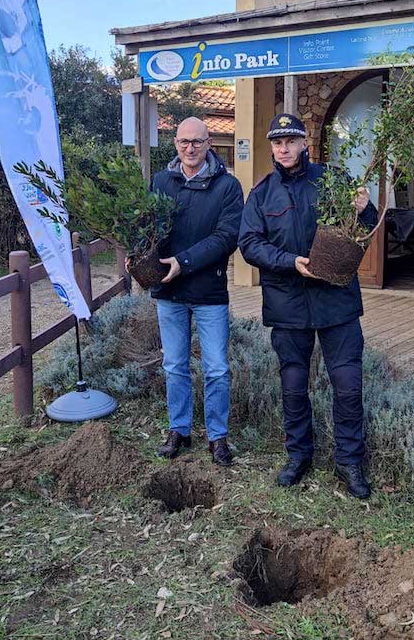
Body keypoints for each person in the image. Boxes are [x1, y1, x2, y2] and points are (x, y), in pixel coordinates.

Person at [238, 112, 378, 499]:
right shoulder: (262, 194)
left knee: (348, 386)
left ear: (304, 144)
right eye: (277, 142)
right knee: (294, 386)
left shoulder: (332, 180)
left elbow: (364, 228)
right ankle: (298, 455)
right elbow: (249, 244)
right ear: (272, 147)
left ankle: (349, 461)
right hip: (288, 304)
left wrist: (364, 207)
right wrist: (290, 262)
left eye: (291, 141)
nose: (284, 148)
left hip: (337, 301)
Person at [147, 116, 243, 466]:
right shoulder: (160, 181)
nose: (190, 148)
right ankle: (179, 430)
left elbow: (226, 237)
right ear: (175, 143)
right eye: (184, 142)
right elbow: (148, 229)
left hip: (208, 291)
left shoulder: (227, 187)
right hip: (169, 292)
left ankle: (217, 437)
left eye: (197, 142)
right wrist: (138, 255)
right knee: (174, 366)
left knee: (216, 368)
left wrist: (182, 262)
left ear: (209, 144)